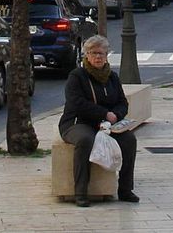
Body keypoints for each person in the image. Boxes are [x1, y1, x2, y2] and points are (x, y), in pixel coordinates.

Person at [58, 35, 139, 207]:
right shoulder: (77, 76)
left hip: (108, 124)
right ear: (86, 55)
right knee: (85, 140)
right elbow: (76, 103)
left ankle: (125, 189)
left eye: (102, 53)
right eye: (94, 53)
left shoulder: (112, 77)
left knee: (129, 140)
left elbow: (122, 102)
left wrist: (115, 115)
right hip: (78, 123)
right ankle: (80, 192)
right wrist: (103, 113)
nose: (98, 57)